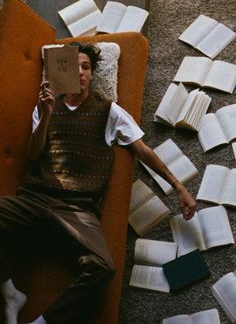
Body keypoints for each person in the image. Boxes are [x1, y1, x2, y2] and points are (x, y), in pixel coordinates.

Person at [0, 43, 196, 324]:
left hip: (76, 208)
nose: (80, 72)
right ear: (59, 71)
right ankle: (9, 291)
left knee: (103, 268)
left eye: (86, 67)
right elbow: (33, 154)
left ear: (92, 75)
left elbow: (143, 150)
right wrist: (45, 114)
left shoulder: (109, 111)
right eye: (73, 66)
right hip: (34, 198)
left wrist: (179, 187)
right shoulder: (45, 106)